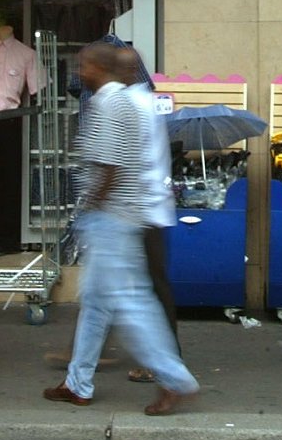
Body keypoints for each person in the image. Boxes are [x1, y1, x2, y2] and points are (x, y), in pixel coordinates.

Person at [47, 43, 197, 414]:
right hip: (122, 214)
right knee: (97, 303)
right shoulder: (125, 102)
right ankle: (78, 382)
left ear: (99, 67)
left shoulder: (110, 104)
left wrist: (92, 205)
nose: (80, 72)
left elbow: (111, 164)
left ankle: (175, 379)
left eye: (84, 65)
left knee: (131, 303)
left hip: (111, 217)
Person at [121, 47, 179, 383]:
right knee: (151, 284)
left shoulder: (130, 105)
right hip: (150, 207)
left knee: (148, 286)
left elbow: (129, 162)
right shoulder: (147, 102)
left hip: (139, 209)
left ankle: (165, 362)